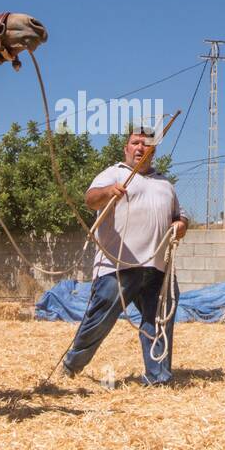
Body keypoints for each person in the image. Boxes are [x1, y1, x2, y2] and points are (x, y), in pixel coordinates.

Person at [57, 126, 188, 385]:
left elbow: (179, 215)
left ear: (153, 150)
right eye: (135, 143)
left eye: (145, 144)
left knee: (159, 322)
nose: (140, 147)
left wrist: (181, 225)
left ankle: (158, 377)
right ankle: (72, 364)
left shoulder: (165, 184)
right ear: (126, 148)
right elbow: (91, 199)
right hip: (116, 266)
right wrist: (109, 193)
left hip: (157, 267)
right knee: (99, 321)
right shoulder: (115, 173)